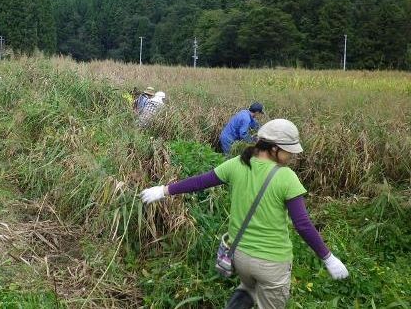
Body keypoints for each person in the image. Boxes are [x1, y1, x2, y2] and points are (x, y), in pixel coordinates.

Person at [141, 119, 349, 309]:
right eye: (289, 151)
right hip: (272, 264)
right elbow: (302, 224)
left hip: (240, 257)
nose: (293, 156)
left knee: (249, 288)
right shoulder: (286, 177)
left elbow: (200, 181)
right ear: (274, 149)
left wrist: (164, 190)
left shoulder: (237, 164)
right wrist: (328, 258)